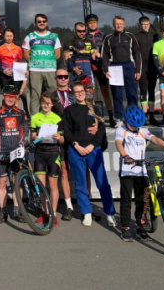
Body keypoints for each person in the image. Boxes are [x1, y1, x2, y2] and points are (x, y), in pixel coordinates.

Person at [116, 105, 164, 241]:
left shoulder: (142, 131)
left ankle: (140, 226)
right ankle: (125, 227)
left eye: (137, 126)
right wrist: (125, 155)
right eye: (133, 125)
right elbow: (118, 143)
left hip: (141, 170)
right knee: (126, 200)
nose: (135, 128)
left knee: (142, 201)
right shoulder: (121, 130)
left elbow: (155, 139)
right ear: (127, 121)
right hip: (127, 170)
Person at [62, 82, 116, 227]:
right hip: (76, 150)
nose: (80, 93)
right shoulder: (68, 110)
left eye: (82, 91)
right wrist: (76, 145)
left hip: (94, 149)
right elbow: (67, 131)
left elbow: (101, 130)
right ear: (72, 94)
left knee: (102, 182)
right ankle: (86, 212)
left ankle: (110, 213)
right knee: (80, 183)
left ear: (85, 92)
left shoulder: (95, 108)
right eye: (76, 92)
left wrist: (92, 145)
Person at [0, 84, 30, 224]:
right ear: (3, 97)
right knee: (2, 182)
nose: (10, 99)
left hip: (16, 151)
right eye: (8, 96)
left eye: (13, 97)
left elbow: (26, 130)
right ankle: (3, 211)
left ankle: (17, 210)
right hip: (2, 152)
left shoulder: (21, 112)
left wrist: (22, 145)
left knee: (17, 182)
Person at [101, 16, 142, 127]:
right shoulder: (108, 38)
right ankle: (119, 118)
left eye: (120, 23)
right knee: (117, 94)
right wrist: (105, 70)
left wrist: (138, 70)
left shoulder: (130, 36)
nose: (119, 25)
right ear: (113, 25)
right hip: (115, 67)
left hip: (129, 66)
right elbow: (104, 55)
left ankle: (133, 118)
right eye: (116, 24)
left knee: (132, 94)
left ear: (124, 25)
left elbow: (137, 54)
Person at [30, 93, 63, 226]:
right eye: (44, 103)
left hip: (53, 153)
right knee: (41, 186)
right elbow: (32, 135)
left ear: (52, 104)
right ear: (40, 103)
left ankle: (53, 213)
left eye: (48, 103)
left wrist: (59, 137)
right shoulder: (34, 117)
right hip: (40, 153)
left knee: (53, 185)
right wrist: (35, 137)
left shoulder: (57, 118)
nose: (46, 105)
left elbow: (63, 140)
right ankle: (45, 212)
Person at [23, 13, 61, 114]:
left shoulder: (54, 36)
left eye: (44, 21)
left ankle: (54, 118)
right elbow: (26, 55)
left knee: (53, 96)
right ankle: (35, 120)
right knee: (35, 96)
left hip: (50, 70)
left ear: (47, 23)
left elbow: (57, 55)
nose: (42, 23)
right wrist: (36, 63)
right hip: (35, 70)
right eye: (39, 21)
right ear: (36, 23)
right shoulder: (29, 36)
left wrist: (46, 61)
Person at [50, 69, 74, 221]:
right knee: (64, 171)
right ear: (55, 78)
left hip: (77, 137)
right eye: (60, 76)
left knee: (84, 172)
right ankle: (69, 206)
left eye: (65, 76)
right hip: (61, 137)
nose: (63, 79)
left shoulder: (76, 94)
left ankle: (88, 207)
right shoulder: (52, 96)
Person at [85, 13, 115, 126]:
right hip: (89, 66)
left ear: (97, 23)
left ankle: (111, 117)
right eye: (90, 23)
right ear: (87, 24)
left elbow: (108, 51)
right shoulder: (84, 37)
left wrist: (100, 56)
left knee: (105, 92)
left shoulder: (104, 36)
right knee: (89, 93)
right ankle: (92, 117)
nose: (92, 24)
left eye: (94, 22)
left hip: (101, 67)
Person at [0, 28, 27, 112]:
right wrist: (3, 71)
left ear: (13, 37)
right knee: (6, 96)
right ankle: (6, 114)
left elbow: (20, 63)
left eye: (11, 36)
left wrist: (23, 74)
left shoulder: (18, 49)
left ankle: (16, 113)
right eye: (7, 36)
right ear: (4, 37)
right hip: (4, 76)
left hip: (16, 75)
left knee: (16, 96)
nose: (9, 38)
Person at [135, 16, 159, 125]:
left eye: (147, 24)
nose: (146, 26)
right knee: (143, 91)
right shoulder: (136, 36)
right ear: (140, 25)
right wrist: (137, 69)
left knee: (151, 91)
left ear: (149, 25)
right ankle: (144, 116)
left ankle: (152, 116)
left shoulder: (154, 36)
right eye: (144, 24)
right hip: (142, 68)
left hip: (153, 67)